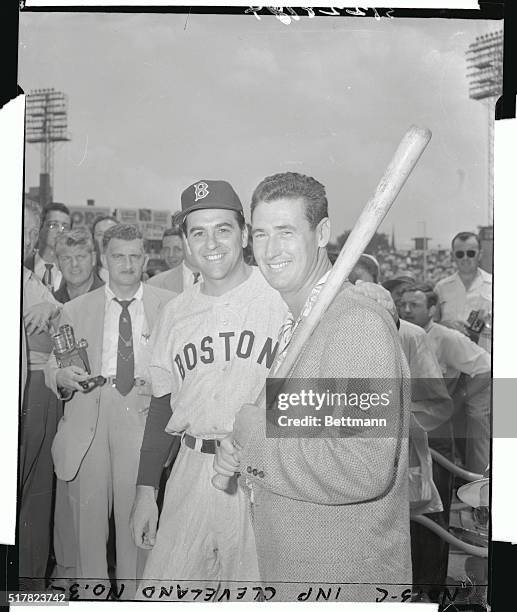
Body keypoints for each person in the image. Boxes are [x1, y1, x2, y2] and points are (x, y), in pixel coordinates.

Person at [214, 172, 412, 601]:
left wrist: (256, 443)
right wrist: (244, 445)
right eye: (262, 234)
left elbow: (363, 467)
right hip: (298, 572)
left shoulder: (355, 324)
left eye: (286, 232)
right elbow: (306, 437)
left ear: (322, 232)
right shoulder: (299, 323)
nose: (270, 250)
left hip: (344, 580)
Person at [44, 224, 174, 590]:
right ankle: (91, 596)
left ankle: (136, 597)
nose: (127, 263)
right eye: (119, 255)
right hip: (90, 414)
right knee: (88, 528)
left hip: (142, 414)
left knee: (139, 519)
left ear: (146, 259)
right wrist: (61, 377)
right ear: (104, 260)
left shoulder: (168, 305)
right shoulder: (73, 309)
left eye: (135, 256)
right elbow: (54, 366)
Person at [399, 283, 491, 475]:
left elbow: (486, 367)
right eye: (403, 304)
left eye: (414, 305)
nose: (406, 310)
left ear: (432, 309)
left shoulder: (446, 337)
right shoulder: (398, 334)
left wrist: (461, 397)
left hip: (436, 431)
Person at [20, 198, 63, 588]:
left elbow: (65, 335)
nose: (29, 238)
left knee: (37, 495)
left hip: (42, 393)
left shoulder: (36, 283)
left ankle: (30, 584)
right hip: (19, 396)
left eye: (35, 231)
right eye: (23, 226)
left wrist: (52, 313)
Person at [434, 231, 492, 353]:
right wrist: (446, 325)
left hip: (485, 361)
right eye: (460, 254)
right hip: (451, 362)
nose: (465, 258)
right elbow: (430, 325)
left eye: (471, 253)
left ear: (480, 255)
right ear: (453, 256)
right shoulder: (441, 288)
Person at [25, 203, 71, 292]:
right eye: (53, 225)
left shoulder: (75, 271)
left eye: (65, 227)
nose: (60, 231)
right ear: (40, 229)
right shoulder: (23, 264)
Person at [54, 227, 104, 303]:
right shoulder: (52, 302)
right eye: (67, 258)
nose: (74, 264)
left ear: (93, 259)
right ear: (58, 263)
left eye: (80, 257)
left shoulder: (111, 300)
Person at [147, 224, 201, 293]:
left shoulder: (212, 278)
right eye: (166, 249)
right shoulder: (154, 284)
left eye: (177, 249)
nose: (171, 255)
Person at [92, 215, 119, 283]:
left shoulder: (136, 275)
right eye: (100, 234)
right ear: (93, 240)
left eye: (111, 233)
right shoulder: (85, 275)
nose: (105, 238)